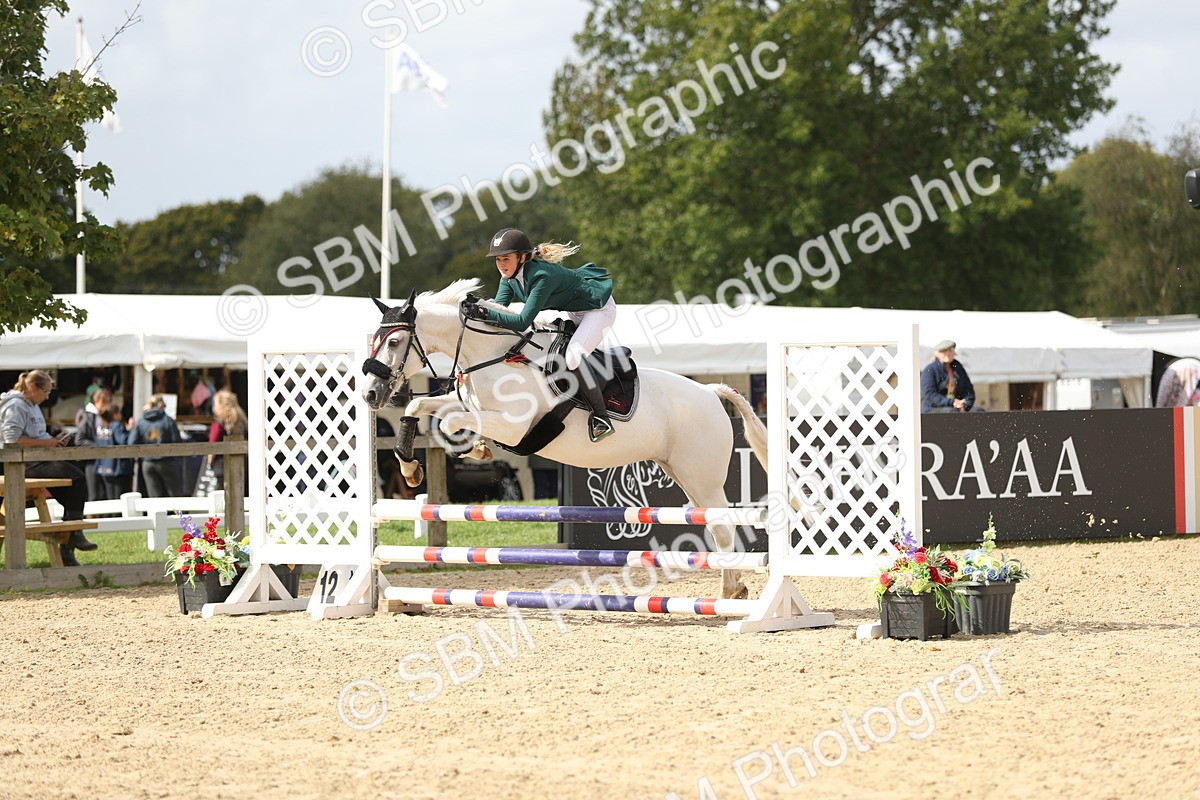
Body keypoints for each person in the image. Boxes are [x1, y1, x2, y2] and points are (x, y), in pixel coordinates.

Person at [466, 227, 617, 442]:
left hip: (599, 310)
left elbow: (521, 321)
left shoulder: (541, 276)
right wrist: (479, 310)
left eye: (506, 259)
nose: (501, 265)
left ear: (523, 257)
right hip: (574, 311)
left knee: (572, 357)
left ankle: (601, 418)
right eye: (498, 259)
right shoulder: (508, 279)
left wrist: (483, 311)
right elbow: (498, 312)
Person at [0, 370, 98, 565]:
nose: (47, 397)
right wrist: (47, 444)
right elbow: (12, 440)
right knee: (77, 479)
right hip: (17, 463)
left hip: (32, 459)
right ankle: (72, 535)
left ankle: (71, 537)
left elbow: (35, 435)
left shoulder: (32, 405)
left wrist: (53, 440)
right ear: (33, 387)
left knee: (75, 483)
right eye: (45, 392)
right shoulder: (15, 405)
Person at [128, 394, 183, 496]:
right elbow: (177, 441)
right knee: (175, 496)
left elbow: (131, 442)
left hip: (148, 463)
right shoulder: (168, 420)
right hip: (167, 461)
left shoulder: (141, 421)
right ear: (161, 406)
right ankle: (178, 513)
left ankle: (156, 512)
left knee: (154, 498)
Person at [74, 385, 115, 501]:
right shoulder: (87, 415)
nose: (107, 405)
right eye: (105, 402)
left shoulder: (105, 415)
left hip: (105, 460)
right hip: (92, 461)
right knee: (94, 495)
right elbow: (79, 440)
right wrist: (100, 446)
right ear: (97, 401)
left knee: (105, 496)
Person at [921, 340, 981, 413]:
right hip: (934, 408)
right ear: (937, 354)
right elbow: (929, 395)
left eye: (950, 350)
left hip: (957, 406)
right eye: (944, 351)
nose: (948, 353)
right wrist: (951, 402)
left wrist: (965, 405)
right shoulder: (930, 370)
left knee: (978, 411)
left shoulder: (958, 368)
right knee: (952, 413)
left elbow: (968, 390)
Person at [206, 389, 248, 493]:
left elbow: (213, 446)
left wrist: (209, 463)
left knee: (222, 498)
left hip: (221, 467)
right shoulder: (242, 421)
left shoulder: (218, 424)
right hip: (241, 465)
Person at [94, 406, 134, 500]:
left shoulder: (101, 427)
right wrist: (132, 430)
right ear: (115, 415)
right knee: (120, 499)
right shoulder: (116, 426)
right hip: (118, 468)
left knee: (109, 499)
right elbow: (124, 440)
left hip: (104, 467)